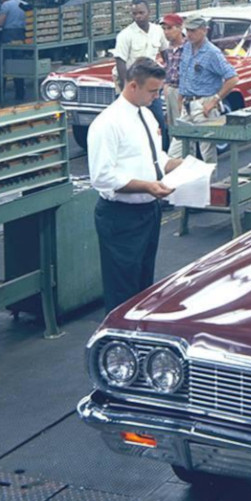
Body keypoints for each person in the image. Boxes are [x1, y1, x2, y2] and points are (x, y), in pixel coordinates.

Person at [88, 58, 182, 314]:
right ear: (132, 86)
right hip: (121, 218)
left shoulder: (147, 117)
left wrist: (179, 165)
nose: (156, 96)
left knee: (143, 287)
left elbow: (155, 159)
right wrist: (148, 187)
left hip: (148, 213)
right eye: (152, 91)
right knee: (122, 289)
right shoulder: (108, 124)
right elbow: (102, 177)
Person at [173, 15, 239, 163]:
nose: (189, 34)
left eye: (193, 31)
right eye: (187, 30)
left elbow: (232, 78)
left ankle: (210, 184)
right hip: (187, 104)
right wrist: (180, 98)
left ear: (204, 30)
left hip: (204, 104)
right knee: (177, 150)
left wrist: (215, 100)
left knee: (207, 152)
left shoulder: (212, 53)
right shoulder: (187, 47)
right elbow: (183, 74)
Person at [113, 0, 169, 144]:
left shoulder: (157, 31)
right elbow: (120, 63)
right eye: (135, 13)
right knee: (129, 123)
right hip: (132, 84)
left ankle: (162, 152)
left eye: (141, 13)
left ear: (149, 12)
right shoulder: (125, 35)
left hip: (149, 83)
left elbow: (165, 52)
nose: (138, 16)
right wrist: (127, 88)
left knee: (158, 120)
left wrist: (168, 75)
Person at [0, 0, 27, 102]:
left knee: (3, 65)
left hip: (8, 35)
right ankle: (20, 94)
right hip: (21, 36)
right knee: (18, 64)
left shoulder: (6, 5)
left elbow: (0, 22)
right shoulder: (24, 4)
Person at [161, 13, 185, 131]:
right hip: (170, 89)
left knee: (183, 126)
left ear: (180, 28)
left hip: (183, 90)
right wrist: (165, 84)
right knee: (172, 126)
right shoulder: (168, 48)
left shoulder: (188, 47)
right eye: (164, 29)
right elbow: (168, 67)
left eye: (170, 28)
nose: (166, 32)